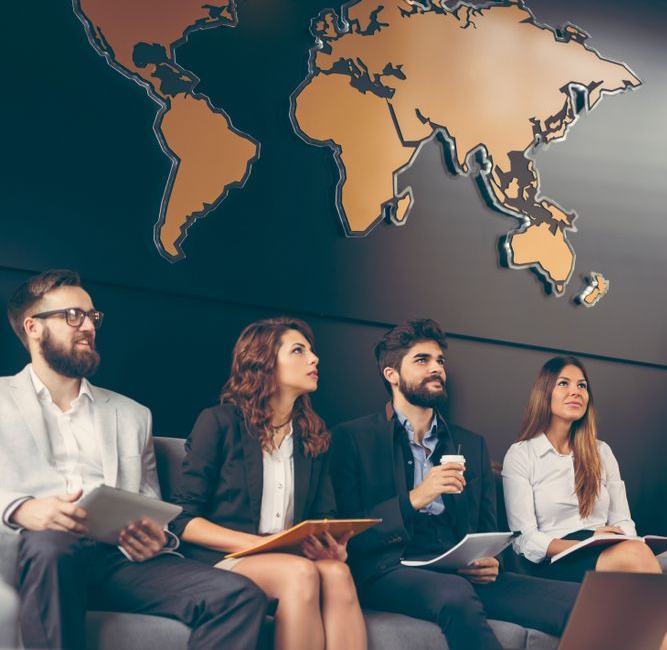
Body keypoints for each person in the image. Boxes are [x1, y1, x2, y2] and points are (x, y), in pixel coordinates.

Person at [0, 269, 267, 650]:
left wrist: (156, 536)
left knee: (240, 596)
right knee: (53, 545)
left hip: (117, 560)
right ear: (33, 327)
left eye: (92, 316)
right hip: (39, 553)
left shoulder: (131, 414)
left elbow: (149, 502)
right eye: (72, 316)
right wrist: (21, 508)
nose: (88, 326)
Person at [330, 318, 580, 650]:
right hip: (388, 569)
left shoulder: (471, 444)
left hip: (459, 572)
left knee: (582, 597)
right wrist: (416, 498)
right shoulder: (353, 437)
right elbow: (347, 533)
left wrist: (491, 562)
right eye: (422, 360)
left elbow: (487, 530)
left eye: (440, 361)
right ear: (392, 375)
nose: (436, 368)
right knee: (454, 593)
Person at [171, 317, 366, 650]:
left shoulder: (313, 436)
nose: (315, 359)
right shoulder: (218, 422)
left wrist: (333, 548)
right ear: (264, 363)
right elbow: (181, 519)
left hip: (288, 558)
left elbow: (324, 517)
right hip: (221, 559)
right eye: (298, 350)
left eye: (312, 351)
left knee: (337, 573)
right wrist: (254, 543)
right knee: (299, 573)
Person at [502, 355, 667, 650]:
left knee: (647, 621)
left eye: (582, 385)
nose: (576, 391)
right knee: (635, 554)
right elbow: (525, 540)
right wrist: (587, 544)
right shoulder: (522, 455)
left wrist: (618, 540)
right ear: (545, 393)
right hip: (556, 562)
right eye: (564, 384)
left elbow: (623, 521)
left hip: (608, 554)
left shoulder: (601, 452)